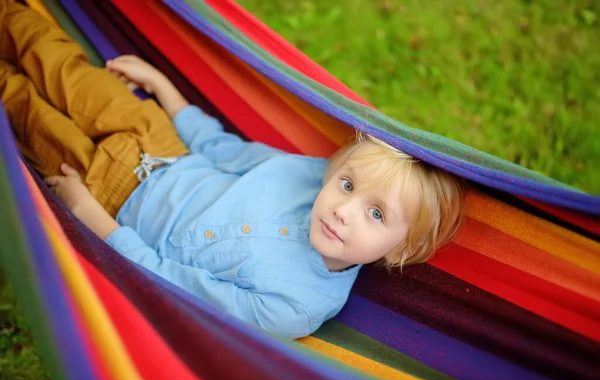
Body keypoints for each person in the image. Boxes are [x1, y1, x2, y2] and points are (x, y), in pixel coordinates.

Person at [0, 0, 465, 339]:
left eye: (377, 214)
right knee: (56, 60)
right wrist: (165, 89)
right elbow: (222, 149)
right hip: (157, 138)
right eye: (346, 184)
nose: (344, 209)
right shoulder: (307, 177)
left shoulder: (295, 306)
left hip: (109, 195)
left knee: (22, 107)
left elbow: (163, 283)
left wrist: (84, 209)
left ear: (402, 250)